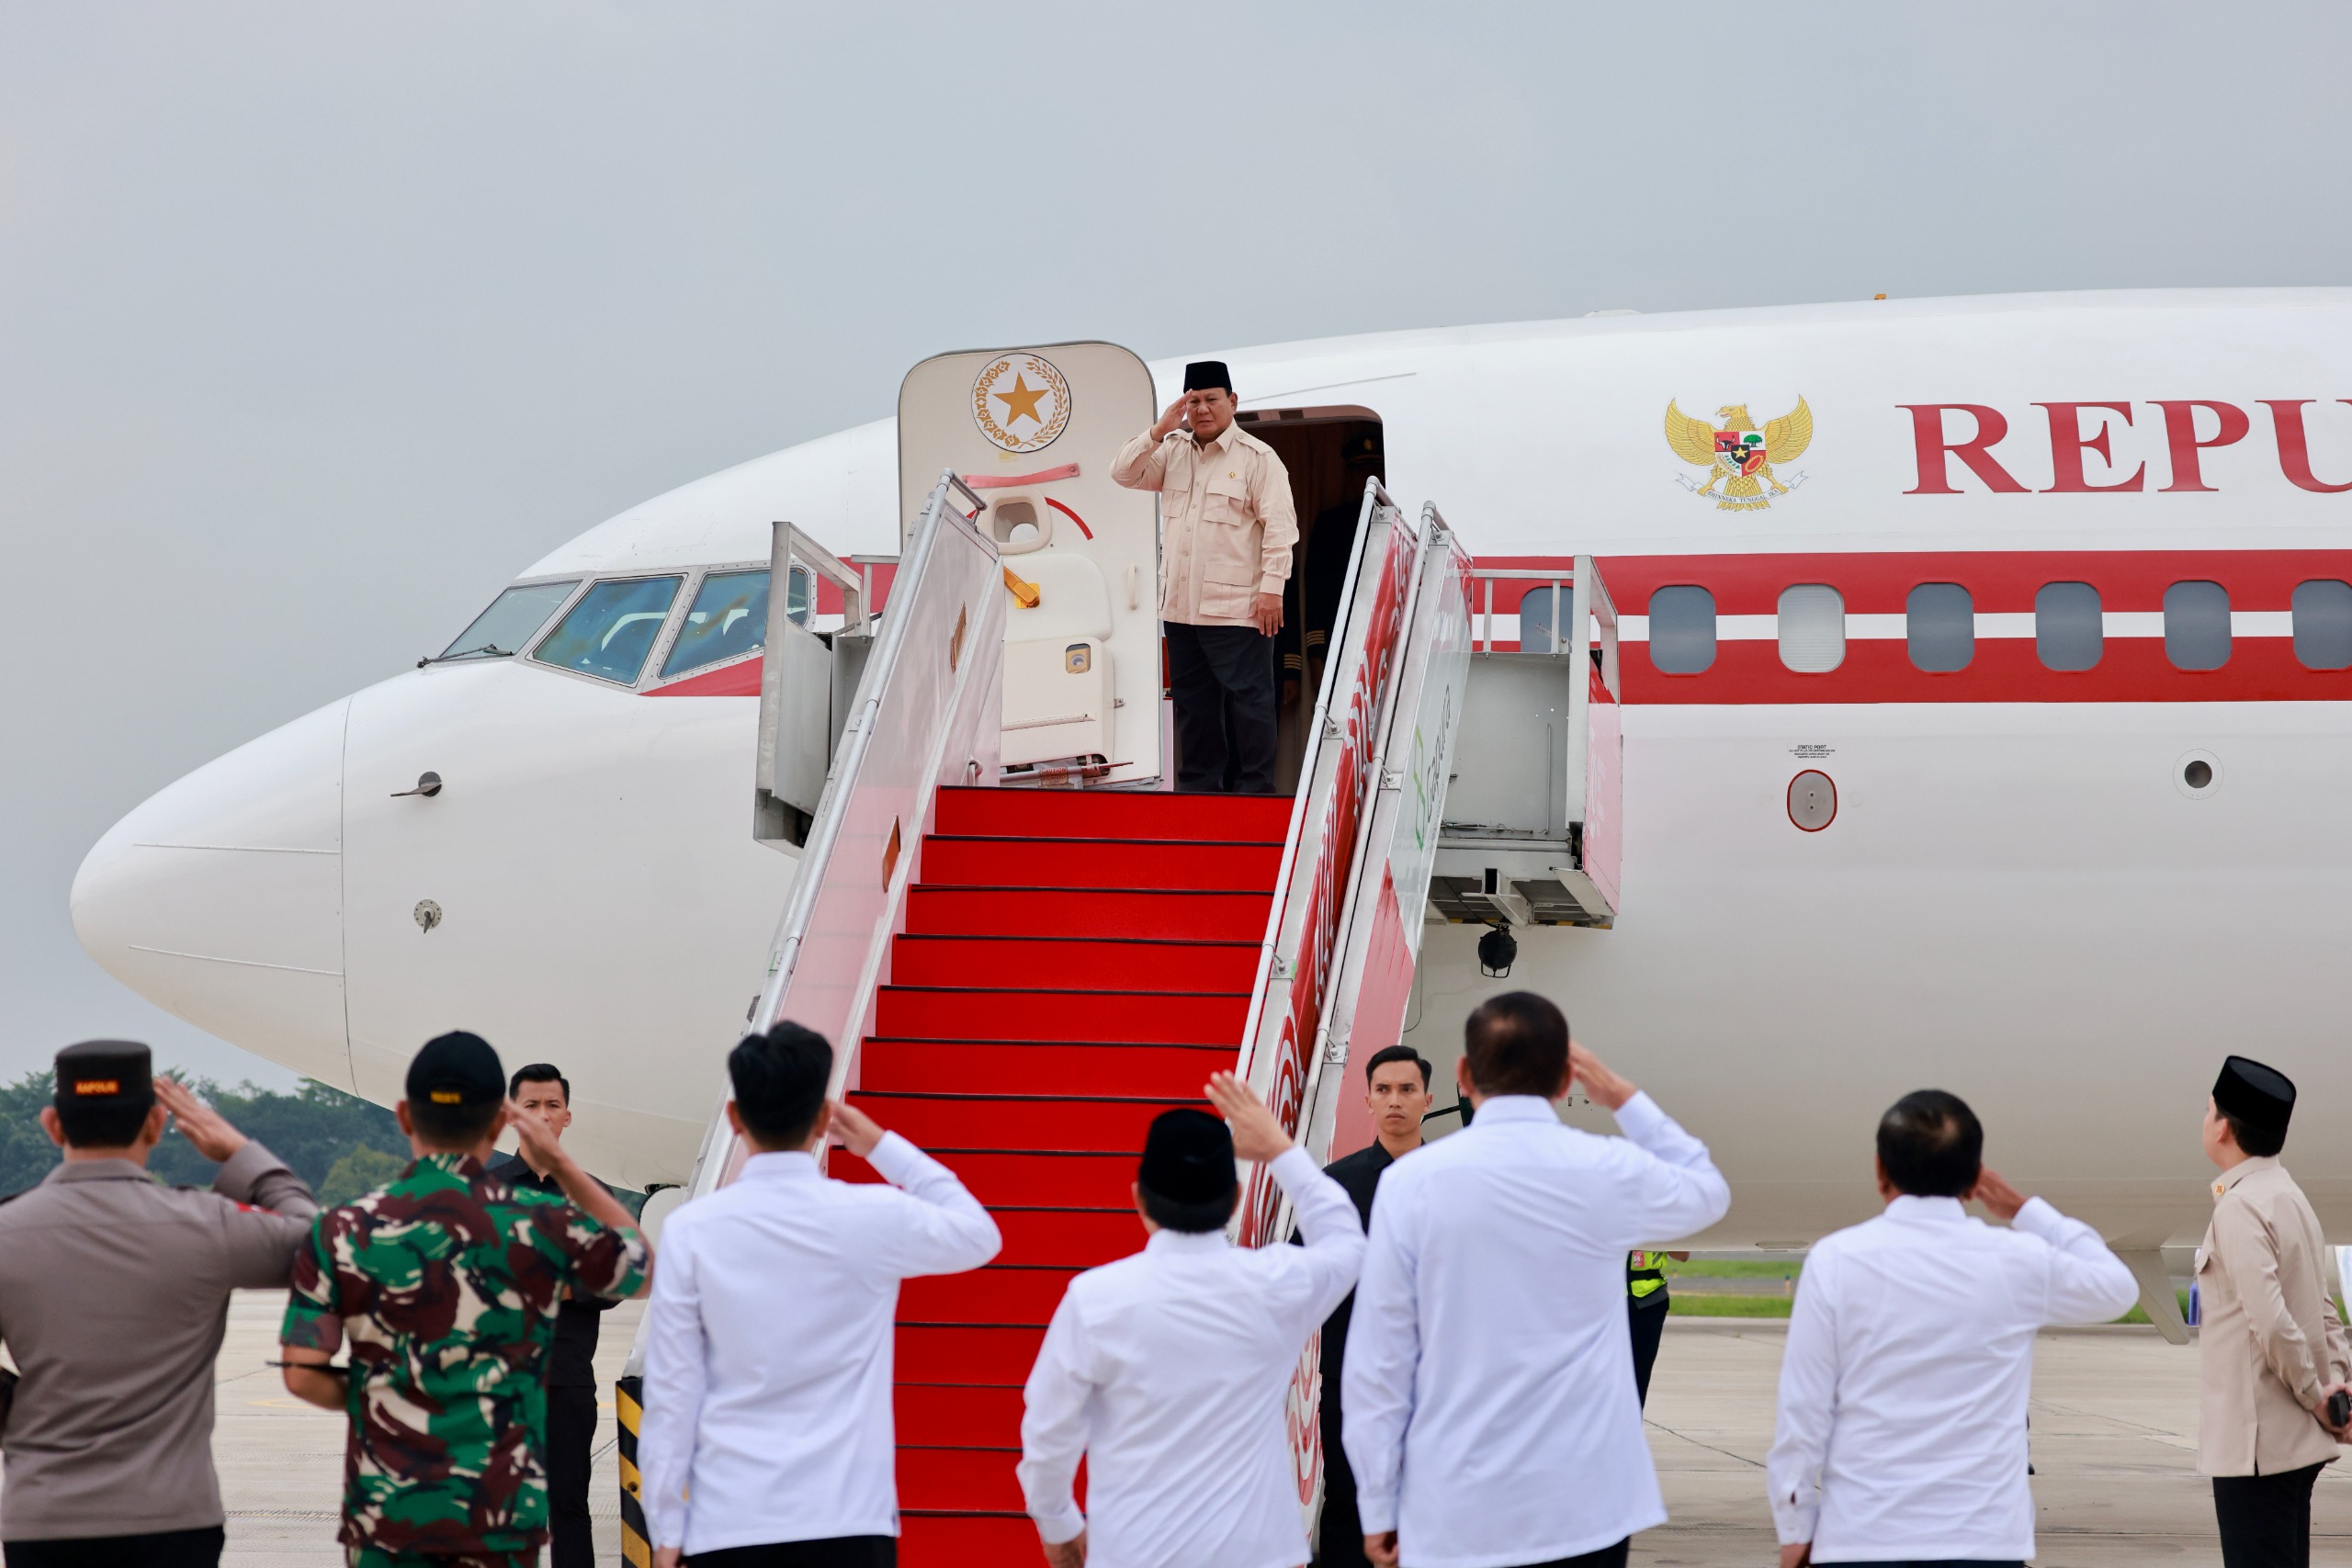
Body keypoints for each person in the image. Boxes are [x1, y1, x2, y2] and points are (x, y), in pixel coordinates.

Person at [1343, 992, 1729, 1568]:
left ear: (1463, 1076)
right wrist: (1623, 1099)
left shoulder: (1411, 1184)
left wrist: (1376, 1503)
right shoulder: (1605, 1168)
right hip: (1585, 1504)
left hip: (1455, 1502)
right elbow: (1707, 1191)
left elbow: (1380, 1360)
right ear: (1566, 1078)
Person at [279, 1031, 651, 1568]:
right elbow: (639, 1267)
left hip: (387, 1519)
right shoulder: (533, 1223)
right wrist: (568, 1169)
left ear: (404, 1116)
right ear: (502, 1122)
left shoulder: (342, 1229)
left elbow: (301, 1373)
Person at [639, 1022, 1001, 1568]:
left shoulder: (693, 1230)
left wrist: (667, 1529)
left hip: (730, 1522)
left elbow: (673, 1391)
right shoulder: (873, 1216)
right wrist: (881, 1146)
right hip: (849, 1521)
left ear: (735, 1120)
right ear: (823, 1120)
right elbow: (979, 1234)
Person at [1764, 1089, 2139, 1568]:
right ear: (1974, 1178)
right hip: (1984, 1539)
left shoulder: (1836, 1260)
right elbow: (2117, 1288)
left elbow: (1804, 1408)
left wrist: (1794, 1526)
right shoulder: (2015, 1260)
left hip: (1862, 1535)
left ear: (1881, 1170)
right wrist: (2023, 1209)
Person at [1019, 1073, 1364, 1568]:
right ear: (1236, 1198)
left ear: (1139, 1198)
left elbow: (1049, 1427)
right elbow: (1346, 1241)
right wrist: (1280, 1150)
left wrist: (1057, 1524)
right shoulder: (1275, 1284)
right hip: (1259, 1553)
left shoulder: (1094, 1299)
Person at [0, 1041, 318, 1568]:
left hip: (45, 1516)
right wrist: (240, 1153)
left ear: (53, 1125)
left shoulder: (9, 1231)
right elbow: (317, 1242)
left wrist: (16, 1405)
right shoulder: (206, 1226)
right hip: (172, 1519)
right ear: (155, 1124)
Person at [1112, 359, 1298, 794]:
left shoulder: (1258, 459)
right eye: (1193, 401)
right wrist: (1159, 430)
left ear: (1232, 402)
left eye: (1211, 399)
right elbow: (1122, 472)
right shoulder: (1172, 451)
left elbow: (1280, 530)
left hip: (1239, 608)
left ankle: (1255, 788)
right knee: (1194, 705)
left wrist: (1272, 591)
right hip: (1180, 609)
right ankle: (1198, 788)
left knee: (1249, 702)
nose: (1201, 409)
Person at [2195, 1055, 2350, 1568]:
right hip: (2291, 1445)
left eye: (2209, 1108)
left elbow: (2271, 1322)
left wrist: (2315, 1397)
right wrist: (2339, 1385)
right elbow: (2323, 1307)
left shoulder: (2240, 1206)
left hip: (2256, 1448)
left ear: (2223, 1128)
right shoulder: (2289, 1196)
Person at [1307, 1045, 1434, 1568]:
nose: (1395, 1101)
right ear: (1367, 1100)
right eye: (1383, 1090)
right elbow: (1306, 1276)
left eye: (1406, 1090)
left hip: (1435, 1378)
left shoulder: (1454, 1180)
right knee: (1348, 1506)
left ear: (1427, 1099)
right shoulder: (1336, 1184)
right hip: (1349, 1378)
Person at [487, 1063, 616, 1568]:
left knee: (568, 1508)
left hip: (566, 1380)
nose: (543, 1115)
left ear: (568, 1117)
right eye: (531, 1105)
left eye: (553, 1105)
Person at [1625, 1247, 1686, 1408]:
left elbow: (1682, 1254)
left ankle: (1630, 1429)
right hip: (1603, 1301)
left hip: (1648, 1302)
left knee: (1638, 1376)